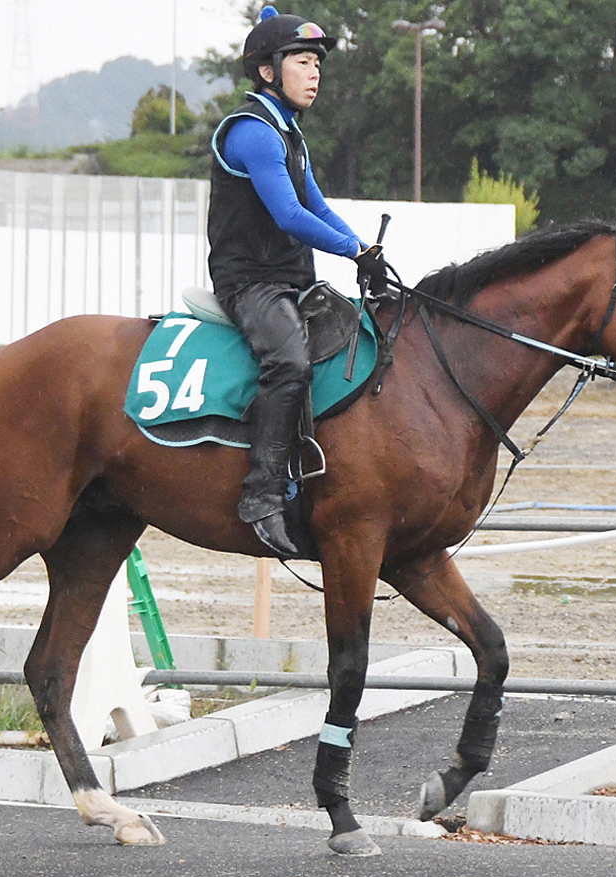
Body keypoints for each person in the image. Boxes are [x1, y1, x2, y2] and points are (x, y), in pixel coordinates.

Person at [207, 5, 386, 559]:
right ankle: (261, 495)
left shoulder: (290, 134)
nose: (315, 74)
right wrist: (353, 248)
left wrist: (367, 251)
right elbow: (289, 215)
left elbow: (318, 207)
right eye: (303, 62)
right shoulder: (253, 133)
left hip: (289, 281)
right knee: (290, 362)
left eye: (318, 64)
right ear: (268, 71)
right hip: (250, 284)